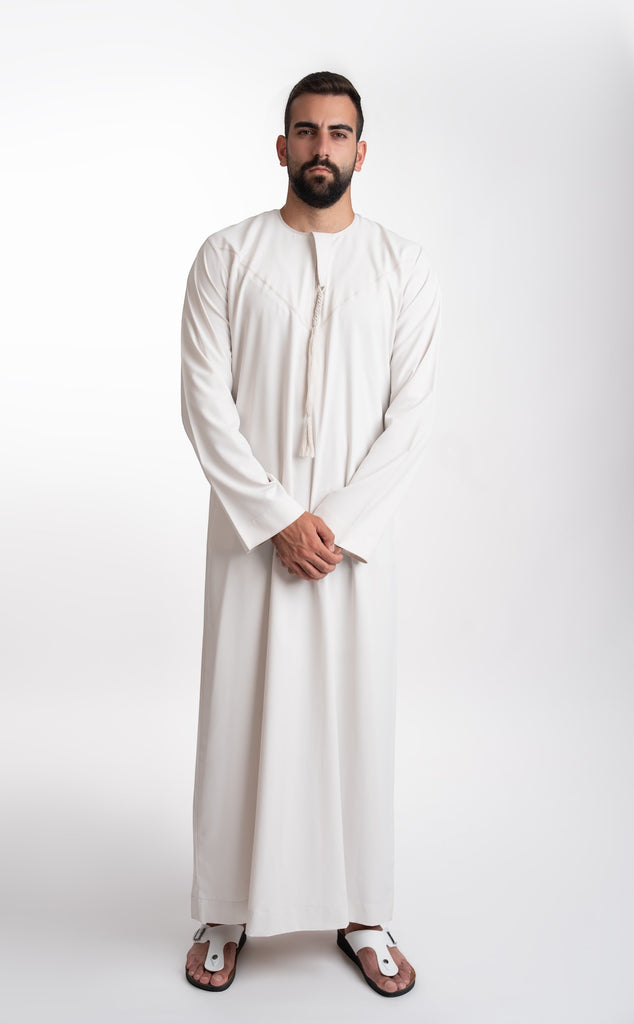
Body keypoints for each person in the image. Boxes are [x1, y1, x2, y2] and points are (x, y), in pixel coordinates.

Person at [180, 70, 441, 996]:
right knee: (238, 715)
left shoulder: (403, 265)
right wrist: (278, 518)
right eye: (305, 130)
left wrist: (336, 524)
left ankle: (364, 912)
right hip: (253, 539)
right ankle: (224, 909)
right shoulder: (226, 256)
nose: (320, 147)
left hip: (353, 551)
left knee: (355, 721)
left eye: (337, 133)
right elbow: (205, 405)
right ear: (281, 145)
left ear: (361, 151)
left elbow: (411, 415)